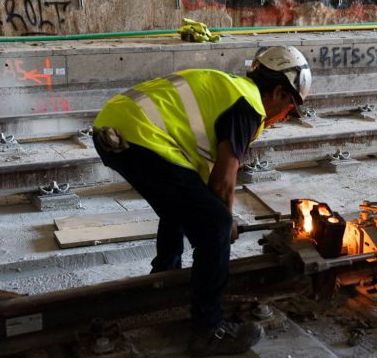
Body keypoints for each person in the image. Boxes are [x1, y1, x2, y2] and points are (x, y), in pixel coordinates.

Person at [92, 46, 312, 356]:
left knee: (185, 203)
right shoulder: (248, 105)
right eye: (290, 106)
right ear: (277, 91)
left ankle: (166, 277)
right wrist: (227, 222)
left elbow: (200, 185)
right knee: (216, 223)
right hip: (139, 135)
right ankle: (209, 330)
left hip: (114, 127)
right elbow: (224, 181)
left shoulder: (227, 89)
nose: (285, 116)